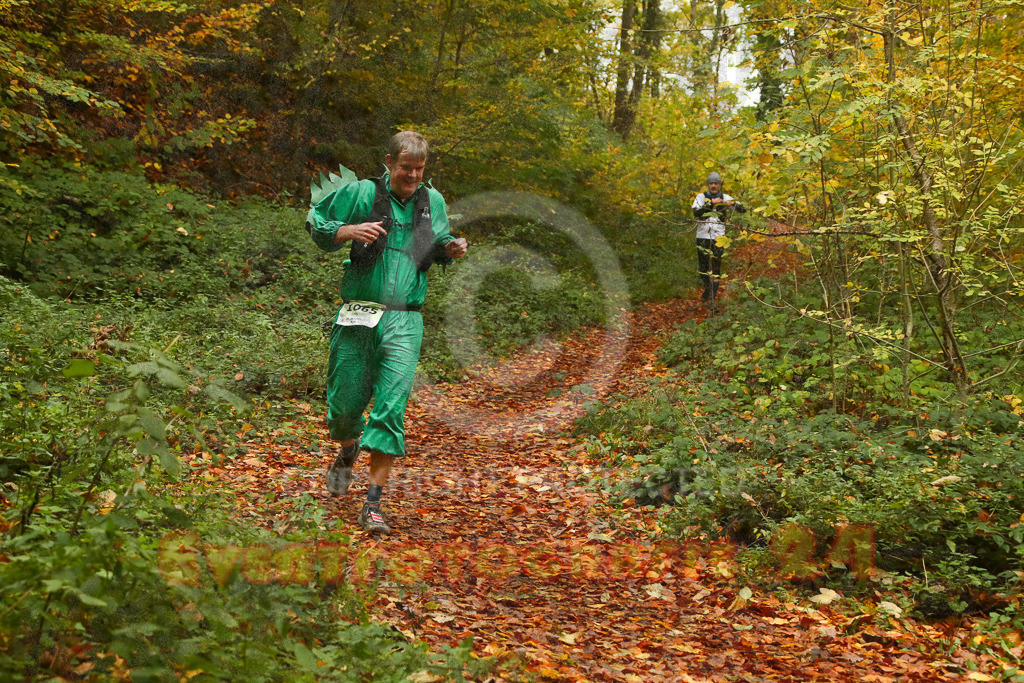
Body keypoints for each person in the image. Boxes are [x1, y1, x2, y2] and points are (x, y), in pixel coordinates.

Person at [307, 131, 468, 534]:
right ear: (388, 162)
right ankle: (348, 448)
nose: (413, 176)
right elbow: (316, 221)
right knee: (344, 409)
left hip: (405, 318)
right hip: (359, 313)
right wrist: (349, 231)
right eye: (405, 168)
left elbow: (439, 241)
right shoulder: (361, 193)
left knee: (391, 408)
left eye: (419, 169)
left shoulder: (433, 202)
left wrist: (451, 247)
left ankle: (373, 505)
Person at [692, 171, 745, 311]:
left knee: (716, 268)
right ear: (708, 184)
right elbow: (697, 213)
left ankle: (713, 300)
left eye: (716, 183)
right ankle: (708, 288)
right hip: (702, 236)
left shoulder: (726, 197)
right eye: (711, 183)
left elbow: (742, 209)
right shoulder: (701, 197)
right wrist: (711, 205)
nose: (714, 186)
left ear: (719, 184)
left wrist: (731, 203)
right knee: (703, 268)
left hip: (719, 238)